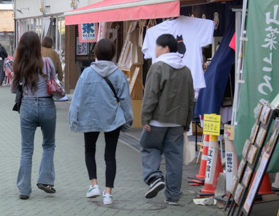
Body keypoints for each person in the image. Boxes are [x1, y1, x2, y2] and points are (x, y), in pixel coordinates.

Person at [68, 38, 133, 206]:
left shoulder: (87, 73)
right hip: (113, 118)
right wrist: (128, 120)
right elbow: (125, 100)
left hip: (90, 117)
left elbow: (77, 99)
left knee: (90, 150)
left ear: (95, 53)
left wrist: (73, 119)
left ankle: (94, 185)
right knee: (110, 156)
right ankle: (108, 194)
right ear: (112, 54)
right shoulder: (118, 74)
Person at [140, 33, 195, 205]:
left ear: (165, 48)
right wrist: (187, 123)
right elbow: (189, 98)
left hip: (157, 120)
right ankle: (172, 195)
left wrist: (145, 118)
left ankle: (155, 177)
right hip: (178, 122)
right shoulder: (186, 71)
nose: (155, 50)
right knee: (175, 157)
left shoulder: (158, 67)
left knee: (149, 147)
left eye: (157, 46)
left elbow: (150, 95)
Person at [11, 31, 59, 199]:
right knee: (48, 145)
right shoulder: (47, 62)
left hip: (27, 106)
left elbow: (12, 88)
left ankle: (24, 189)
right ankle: (45, 180)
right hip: (47, 105)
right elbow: (53, 81)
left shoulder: (18, 64)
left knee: (26, 149)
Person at [41, 37, 67, 101]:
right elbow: (59, 66)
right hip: (51, 75)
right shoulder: (54, 53)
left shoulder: (38, 50)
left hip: (40, 74)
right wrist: (60, 78)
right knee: (49, 89)